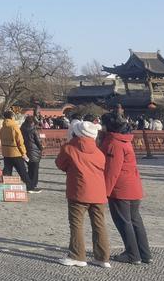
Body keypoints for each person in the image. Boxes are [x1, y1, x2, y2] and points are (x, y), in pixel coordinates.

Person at [54, 119, 111, 267]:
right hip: (99, 192)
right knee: (99, 224)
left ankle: (77, 255)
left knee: (76, 224)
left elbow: (60, 164)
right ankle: (102, 257)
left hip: (79, 191)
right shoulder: (99, 152)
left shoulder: (69, 148)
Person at [101, 115, 152, 265]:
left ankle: (132, 253)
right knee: (135, 220)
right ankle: (144, 252)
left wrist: (105, 192)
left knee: (124, 221)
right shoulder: (125, 140)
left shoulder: (114, 143)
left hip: (121, 188)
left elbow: (112, 170)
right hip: (133, 186)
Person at [0, 110, 31, 188]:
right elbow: (20, 141)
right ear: (12, 117)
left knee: (7, 171)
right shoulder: (14, 127)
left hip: (6, 152)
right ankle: (29, 186)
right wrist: (23, 152)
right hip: (15, 152)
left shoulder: (2, 128)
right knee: (22, 171)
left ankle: (5, 186)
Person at [20, 112, 44, 192]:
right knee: (34, 170)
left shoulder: (21, 129)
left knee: (30, 168)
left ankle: (28, 184)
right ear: (32, 122)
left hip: (25, 151)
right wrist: (41, 148)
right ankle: (32, 186)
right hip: (34, 152)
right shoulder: (33, 130)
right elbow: (38, 142)